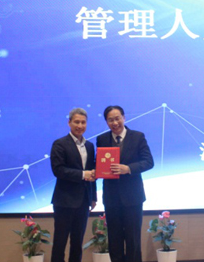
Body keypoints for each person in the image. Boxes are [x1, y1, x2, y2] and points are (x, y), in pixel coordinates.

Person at [96, 105, 154, 262]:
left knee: (133, 239)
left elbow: (148, 162)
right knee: (114, 239)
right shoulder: (102, 139)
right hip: (111, 197)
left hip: (133, 197)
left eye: (117, 118)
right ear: (106, 122)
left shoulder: (138, 137)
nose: (115, 123)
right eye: (110, 120)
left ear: (124, 118)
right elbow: (100, 163)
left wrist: (128, 169)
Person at [50, 108, 97, 262]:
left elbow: (92, 172)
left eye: (83, 122)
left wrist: (93, 197)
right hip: (64, 200)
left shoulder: (90, 146)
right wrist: (83, 174)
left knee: (77, 243)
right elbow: (58, 170)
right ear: (69, 122)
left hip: (83, 201)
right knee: (60, 241)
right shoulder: (60, 144)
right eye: (76, 122)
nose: (80, 126)